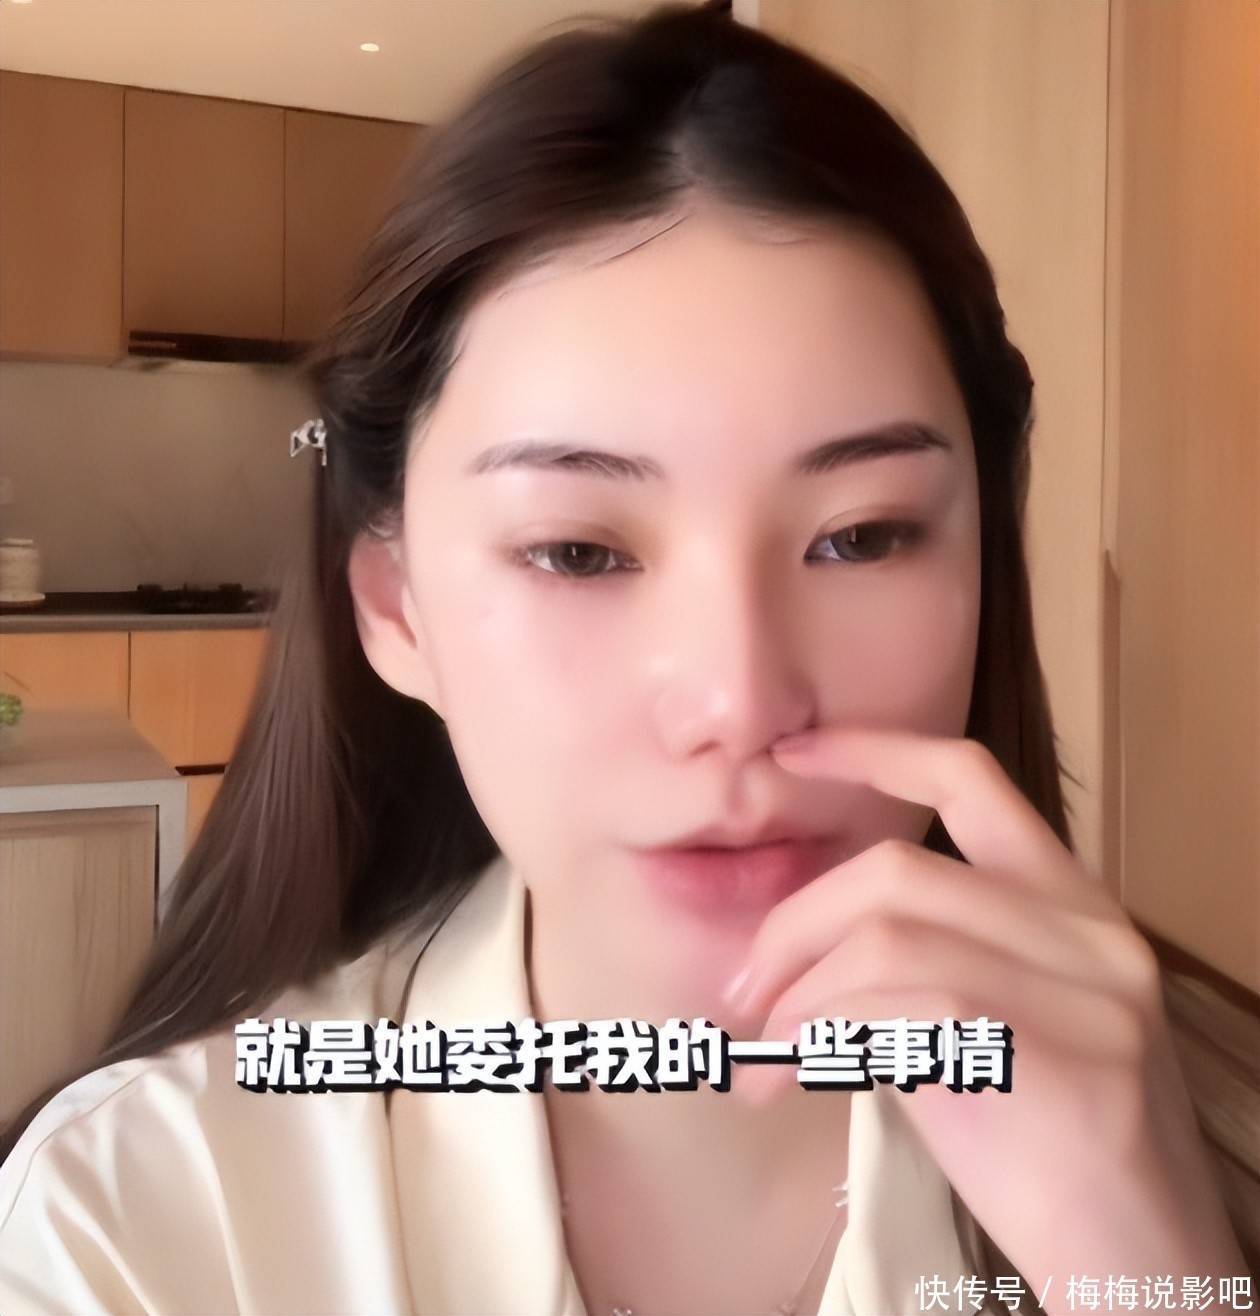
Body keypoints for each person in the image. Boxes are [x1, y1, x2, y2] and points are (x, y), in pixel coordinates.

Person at [0, 2, 1249, 1313]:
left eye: (862, 536)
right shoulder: (131, 1229)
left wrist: (1151, 1269)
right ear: (397, 609)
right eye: (579, 553)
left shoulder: (1205, 1149)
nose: (739, 701)